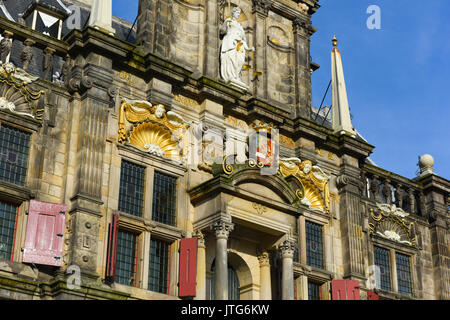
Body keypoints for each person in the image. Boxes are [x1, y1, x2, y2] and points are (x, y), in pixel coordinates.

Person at [219, 7, 254, 88]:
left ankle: (236, 76)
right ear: (233, 13)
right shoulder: (229, 21)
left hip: (239, 45)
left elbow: (243, 40)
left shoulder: (240, 25)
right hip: (230, 42)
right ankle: (230, 75)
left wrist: (248, 48)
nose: (238, 14)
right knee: (231, 59)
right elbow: (222, 31)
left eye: (239, 13)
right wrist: (226, 25)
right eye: (237, 12)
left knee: (240, 61)